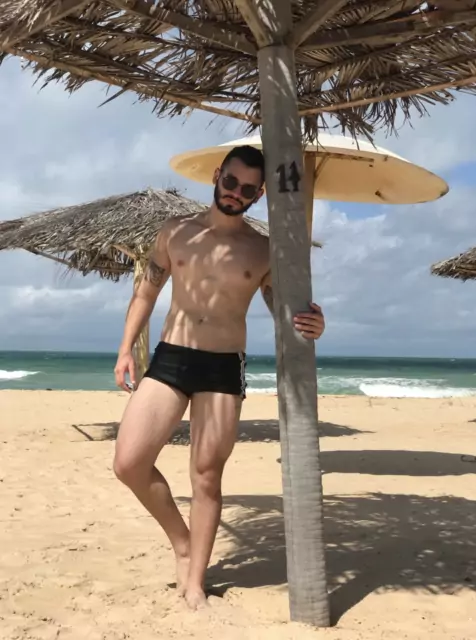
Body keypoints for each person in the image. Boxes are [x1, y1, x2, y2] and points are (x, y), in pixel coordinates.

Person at [113, 145, 325, 610]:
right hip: (171, 358)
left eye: (248, 189)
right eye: (231, 182)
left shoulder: (263, 249)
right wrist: (127, 348)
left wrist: (312, 321)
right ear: (216, 176)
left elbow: (283, 308)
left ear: (259, 194)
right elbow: (146, 293)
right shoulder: (175, 232)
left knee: (207, 477)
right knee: (128, 463)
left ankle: (195, 582)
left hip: (223, 366)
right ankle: (182, 542)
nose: (236, 193)